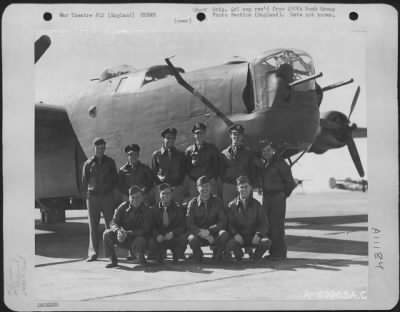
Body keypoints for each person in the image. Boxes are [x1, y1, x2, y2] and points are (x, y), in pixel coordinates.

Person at [257, 142, 296, 260]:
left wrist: (283, 195)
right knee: (268, 225)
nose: (266, 153)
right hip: (267, 197)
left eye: (268, 150)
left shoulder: (280, 163)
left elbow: (290, 183)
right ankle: (273, 252)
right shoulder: (265, 165)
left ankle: (279, 253)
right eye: (264, 151)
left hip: (277, 196)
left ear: (272, 151)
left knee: (277, 226)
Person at [82, 137, 118, 262]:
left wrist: (109, 192)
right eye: (98, 148)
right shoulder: (88, 164)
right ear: (94, 149)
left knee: (110, 225)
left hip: (107, 196)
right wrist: (87, 196)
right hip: (93, 197)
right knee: (93, 225)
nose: (100, 151)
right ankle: (93, 253)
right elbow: (84, 181)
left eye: (103, 148)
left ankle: (111, 254)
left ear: (105, 148)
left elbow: (115, 179)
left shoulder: (110, 162)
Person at [103, 185, 152, 268]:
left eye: (138, 197)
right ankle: (112, 260)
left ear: (142, 198)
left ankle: (141, 257)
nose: (135, 200)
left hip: (137, 238)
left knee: (141, 239)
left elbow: (145, 229)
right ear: (129, 198)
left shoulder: (147, 210)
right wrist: (118, 231)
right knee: (107, 234)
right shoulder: (123, 206)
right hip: (124, 237)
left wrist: (127, 233)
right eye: (132, 197)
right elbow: (113, 222)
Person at [225, 176, 271, 262]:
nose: (244, 189)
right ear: (237, 188)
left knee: (266, 242)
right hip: (239, 237)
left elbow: (264, 223)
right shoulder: (232, 205)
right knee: (230, 243)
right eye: (241, 187)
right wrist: (235, 234)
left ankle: (256, 258)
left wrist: (259, 234)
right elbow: (229, 224)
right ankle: (239, 256)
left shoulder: (257, 205)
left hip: (253, 237)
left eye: (246, 187)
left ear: (250, 188)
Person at [186, 176, 228, 262]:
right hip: (199, 235)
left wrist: (209, 231)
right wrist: (200, 233)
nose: (205, 189)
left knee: (224, 234)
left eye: (207, 186)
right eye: (202, 186)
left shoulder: (217, 201)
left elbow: (222, 221)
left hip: (214, 234)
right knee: (191, 238)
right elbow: (190, 223)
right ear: (198, 188)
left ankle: (217, 254)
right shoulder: (192, 203)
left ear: (210, 187)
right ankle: (198, 254)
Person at [148, 183, 187, 264]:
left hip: (173, 237)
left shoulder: (178, 209)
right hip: (160, 237)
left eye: (168, 193)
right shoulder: (153, 210)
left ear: (172, 195)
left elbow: (182, 226)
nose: (165, 195)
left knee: (183, 238)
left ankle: (177, 253)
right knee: (151, 240)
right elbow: (151, 227)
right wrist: (157, 235)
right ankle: (159, 254)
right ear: (159, 195)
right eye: (163, 193)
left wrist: (173, 233)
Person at [221, 124, 256, 207]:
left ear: (242, 136)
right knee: (228, 211)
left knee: (246, 211)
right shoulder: (224, 153)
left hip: (244, 187)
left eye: (239, 134)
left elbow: (253, 171)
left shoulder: (248, 153)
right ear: (230, 135)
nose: (236, 136)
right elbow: (220, 171)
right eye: (234, 134)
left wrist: (249, 186)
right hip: (229, 186)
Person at [185, 122, 222, 198]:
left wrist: (213, 178)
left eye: (202, 132)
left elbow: (218, 165)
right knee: (194, 205)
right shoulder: (189, 151)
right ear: (194, 135)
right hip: (195, 182)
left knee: (213, 204)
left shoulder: (212, 149)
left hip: (210, 181)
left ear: (205, 134)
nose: (199, 135)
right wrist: (192, 178)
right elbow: (186, 167)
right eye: (197, 133)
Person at [151, 128, 186, 205]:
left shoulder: (180, 154)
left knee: (177, 210)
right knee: (162, 211)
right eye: (168, 137)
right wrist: (161, 185)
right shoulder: (156, 155)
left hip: (176, 187)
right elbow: (154, 173)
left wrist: (178, 184)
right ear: (164, 139)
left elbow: (183, 171)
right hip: (162, 189)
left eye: (173, 138)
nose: (171, 140)